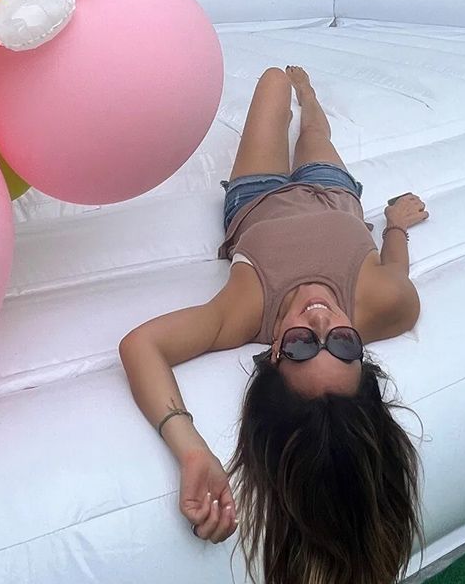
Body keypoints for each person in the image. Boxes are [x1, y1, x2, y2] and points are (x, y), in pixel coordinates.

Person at [118, 66, 428, 584]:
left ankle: (290, 92)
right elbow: (395, 268)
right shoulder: (388, 303)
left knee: (269, 84)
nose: (320, 317)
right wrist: (395, 225)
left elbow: (142, 345)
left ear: (274, 357)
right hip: (334, 194)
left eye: (305, 346)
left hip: (256, 197)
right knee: (316, 134)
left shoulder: (247, 309)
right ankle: (309, 95)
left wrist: (191, 450)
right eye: (345, 345)